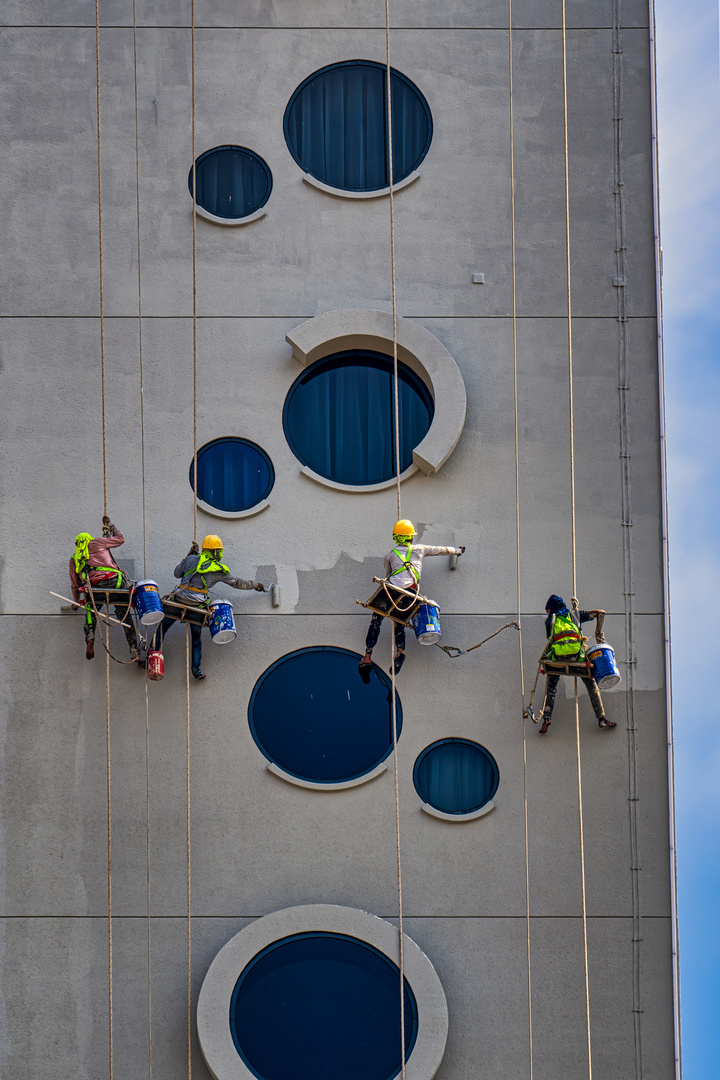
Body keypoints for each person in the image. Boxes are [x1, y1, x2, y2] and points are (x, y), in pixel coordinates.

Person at [151, 534, 266, 680]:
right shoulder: (219, 569)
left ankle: (150, 657)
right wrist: (256, 585)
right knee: (196, 638)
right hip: (196, 608)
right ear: (216, 552)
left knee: (161, 629)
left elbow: (177, 573)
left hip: (178, 601)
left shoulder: (191, 559)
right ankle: (196, 671)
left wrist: (189, 555)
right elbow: (237, 583)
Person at [359, 520, 464, 679]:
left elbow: (388, 575)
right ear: (410, 538)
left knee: (376, 619)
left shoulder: (390, 555)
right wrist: (457, 550)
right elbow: (439, 550)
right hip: (410, 594)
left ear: (396, 538)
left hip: (391, 591)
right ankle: (400, 651)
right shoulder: (420, 550)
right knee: (399, 621)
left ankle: (367, 656)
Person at [538, 594, 616, 733]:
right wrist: (598, 634)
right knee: (591, 684)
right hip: (577, 659)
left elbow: (550, 640)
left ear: (552, 608)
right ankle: (601, 718)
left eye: (548, 609)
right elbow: (599, 613)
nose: (547, 612)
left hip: (558, 660)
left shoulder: (550, 621)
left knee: (551, 686)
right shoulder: (574, 615)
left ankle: (546, 718)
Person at [69, 516, 140, 661]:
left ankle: (90, 637)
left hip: (96, 588)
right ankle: (134, 650)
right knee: (124, 617)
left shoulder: (74, 558)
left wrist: (76, 602)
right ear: (89, 539)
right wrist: (111, 525)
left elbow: (75, 585)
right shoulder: (98, 542)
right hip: (115, 583)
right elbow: (120, 539)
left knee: (91, 612)